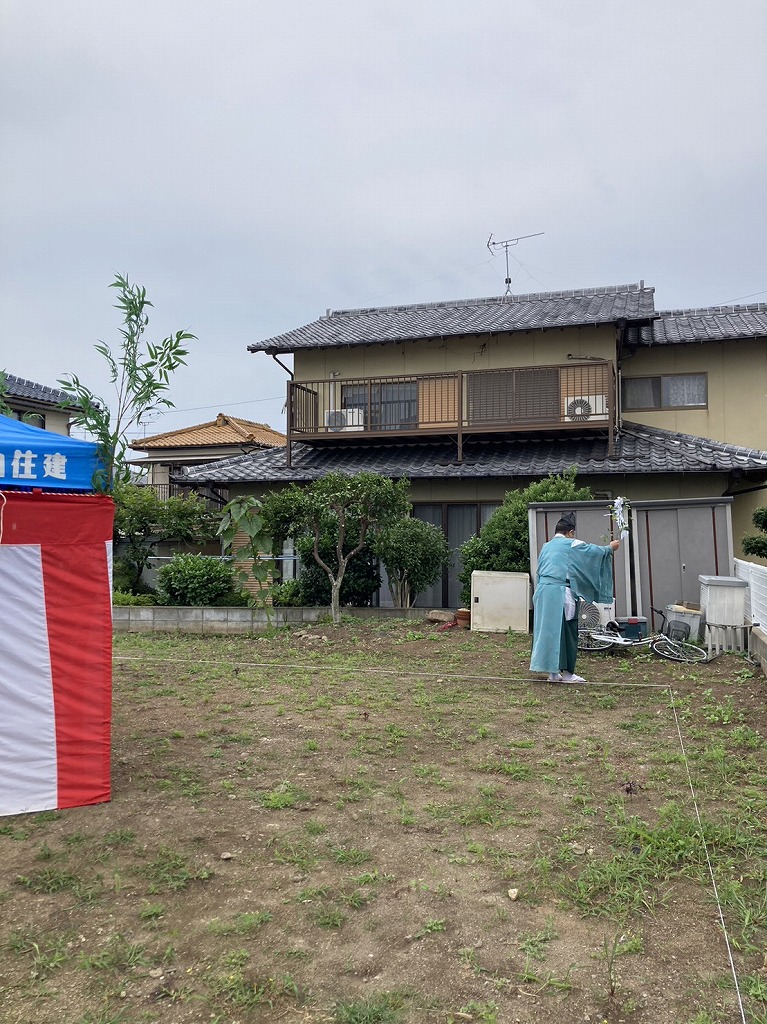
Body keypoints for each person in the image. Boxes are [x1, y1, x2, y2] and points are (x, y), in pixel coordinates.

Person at [529, 512, 620, 683]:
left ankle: (553, 673)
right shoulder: (572, 543)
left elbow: (539, 571)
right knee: (567, 631)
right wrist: (609, 548)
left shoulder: (546, 546)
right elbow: (592, 552)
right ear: (570, 532)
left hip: (542, 592)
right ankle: (568, 674)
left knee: (548, 632)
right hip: (560, 592)